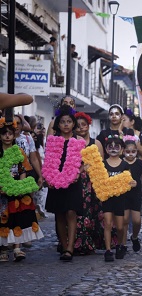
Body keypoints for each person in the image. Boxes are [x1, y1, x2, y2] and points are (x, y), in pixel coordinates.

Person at [44, 105, 85, 261]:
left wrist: (78, 172)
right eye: (63, 122)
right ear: (58, 124)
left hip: (73, 181)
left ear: (73, 123)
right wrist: (48, 177)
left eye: (69, 121)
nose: (66, 124)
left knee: (71, 212)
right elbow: (47, 161)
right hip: (55, 180)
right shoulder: (52, 141)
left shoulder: (79, 141)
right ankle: (63, 244)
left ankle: (70, 247)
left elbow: (86, 162)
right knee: (59, 214)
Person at [0, 119, 44, 262]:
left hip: (16, 189)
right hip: (2, 191)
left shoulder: (18, 151)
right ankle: (4, 248)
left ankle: (17, 247)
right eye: (4, 133)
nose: (7, 136)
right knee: (3, 218)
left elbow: (22, 169)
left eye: (10, 133)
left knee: (17, 217)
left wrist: (20, 185)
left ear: (14, 135)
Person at [101, 136, 136, 261]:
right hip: (107, 199)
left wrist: (133, 183)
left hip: (121, 199)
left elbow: (129, 180)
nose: (113, 149)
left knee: (120, 227)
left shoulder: (125, 164)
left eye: (117, 147)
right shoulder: (103, 164)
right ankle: (108, 251)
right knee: (108, 224)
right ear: (106, 149)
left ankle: (120, 245)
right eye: (110, 147)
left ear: (121, 149)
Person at [72, 112, 97, 255]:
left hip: (91, 182)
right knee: (75, 211)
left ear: (88, 125)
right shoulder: (73, 142)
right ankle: (74, 243)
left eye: (84, 125)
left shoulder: (95, 143)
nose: (81, 128)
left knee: (89, 213)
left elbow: (102, 164)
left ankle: (87, 242)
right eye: (78, 125)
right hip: (75, 179)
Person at [122, 136, 142, 252]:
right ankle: (123, 243)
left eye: (133, 151)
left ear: (137, 151)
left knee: (137, 221)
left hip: (136, 194)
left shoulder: (140, 163)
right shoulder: (121, 163)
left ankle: (134, 237)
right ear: (123, 151)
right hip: (123, 195)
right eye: (127, 152)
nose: (130, 154)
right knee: (124, 220)